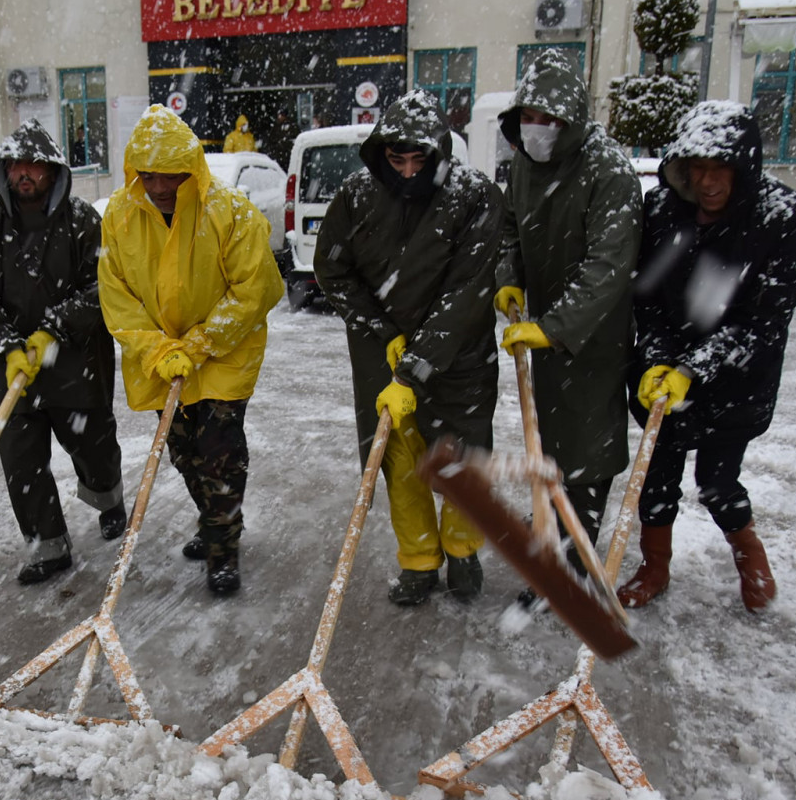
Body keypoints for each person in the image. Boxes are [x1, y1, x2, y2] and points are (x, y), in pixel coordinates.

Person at [618, 101, 796, 613]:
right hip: (666, 379)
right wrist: (660, 361)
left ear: (743, 167)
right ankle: (654, 566)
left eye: (719, 169)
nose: (706, 182)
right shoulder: (662, 209)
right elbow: (649, 298)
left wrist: (693, 369)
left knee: (717, 481)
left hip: (735, 382)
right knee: (655, 476)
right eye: (696, 169)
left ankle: (750, 558)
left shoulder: (782, 218)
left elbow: (764, 322)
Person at [314, 90, 503, 606]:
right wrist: (382, 332)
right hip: (385, 355)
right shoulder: (356, 195)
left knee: (462, 457)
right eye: (396, 159)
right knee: (402, 461)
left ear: (441, 151)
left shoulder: (474, 196)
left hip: (459, 355)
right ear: (380, 153)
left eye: (420, 159)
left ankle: (463, 551)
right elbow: (332, 270)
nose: (408, 171)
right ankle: (418, 560)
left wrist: (418, 363)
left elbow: (468, 290)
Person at [99, 105, 283, 595]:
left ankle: (224, 547)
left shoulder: (230, 211)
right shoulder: (119, 216)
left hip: (223, 355)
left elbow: (256, 289)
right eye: (150, 175)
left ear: (192, 169)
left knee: (219, 451)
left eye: (172, 175)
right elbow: (116, 296)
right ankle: (212, 520)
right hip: (163, 361)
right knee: (182, 451)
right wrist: (159, 349)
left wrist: (200, 344)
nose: (161, 187)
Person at [493, 49, 642, 605]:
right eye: (528, 118)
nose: (536, 130)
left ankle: (573, 566)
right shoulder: (525, 167)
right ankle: (553, 555)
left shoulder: (610, 171)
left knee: (588, 454)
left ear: (571, 119)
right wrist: (508, 278)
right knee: (551, 449)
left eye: (548, 120)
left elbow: (610, 265)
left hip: (592, 337)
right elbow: (510, 227)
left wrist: (554, 327)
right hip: (545, 334)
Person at [0, 120, 126, 585]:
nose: (24, 173)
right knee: (21, 463)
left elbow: (103, 286)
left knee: (93, 448)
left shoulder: (81, 221)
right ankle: (48, 547)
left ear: (54, 171)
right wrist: (7, 346)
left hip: (74, 365)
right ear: (3, 172)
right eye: (15, 165)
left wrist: (55, 327)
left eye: (34, 165)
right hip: (13, 371)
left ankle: (108, 499)